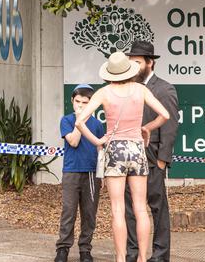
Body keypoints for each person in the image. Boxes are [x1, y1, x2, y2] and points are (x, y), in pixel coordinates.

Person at [75, 52, 170, 262]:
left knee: (118, 209)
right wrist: (146, 128)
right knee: (140, 208)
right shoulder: (140, 89)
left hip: (114, 149)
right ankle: (143, 259)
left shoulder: (104, 92)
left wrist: (98, 141)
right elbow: (165, 115)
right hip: (137, 148)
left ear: (110, 73)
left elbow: (80, 122)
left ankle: (120, 259)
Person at [124, 41, 180, 262]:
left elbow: (170, 125)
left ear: (150, 62)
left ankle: (159, 256)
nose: (134, 66)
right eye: (131, 62)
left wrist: (162, 160)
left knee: (158, 209)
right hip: (129, 158)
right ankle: (133, 253)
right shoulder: (127, 88)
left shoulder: (164, 89)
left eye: (137, 62)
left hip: (152, 158)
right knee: (130, 210)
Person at [55, 84, 105, 262]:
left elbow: (100, 149)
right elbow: (73, 141)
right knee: (68, 211)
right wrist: (79, 121)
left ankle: (85, 249)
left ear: (92, 103)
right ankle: (63, 249)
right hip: (72, 171)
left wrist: (102, 174)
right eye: (77, 101)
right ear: (72, 101)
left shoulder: (98, 124)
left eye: (85, 102)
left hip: (91, 173)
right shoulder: (67, 121)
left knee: (89, 213)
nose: (81, 105)